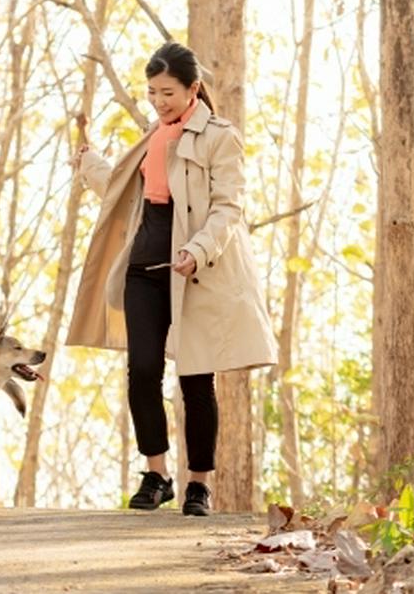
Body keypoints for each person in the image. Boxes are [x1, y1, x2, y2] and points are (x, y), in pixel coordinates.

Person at [67, 41, 278, 516]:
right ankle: (157, 473)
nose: (159, 101)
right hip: (145, 267)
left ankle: (198, 485)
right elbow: (129, 193)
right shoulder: (152, 135)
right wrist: (89, 164)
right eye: (152, 92)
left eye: (167, 92)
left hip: (196, 272)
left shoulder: (221, 137)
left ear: (193, 89)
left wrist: (197, 251)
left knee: (196, 379)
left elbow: (228, 207)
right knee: (142, 371)